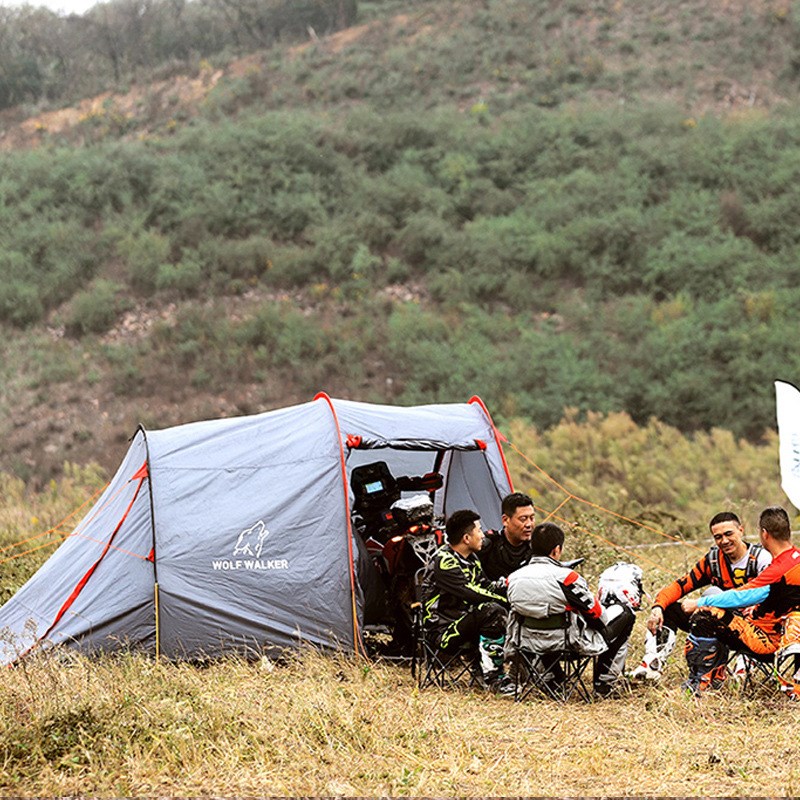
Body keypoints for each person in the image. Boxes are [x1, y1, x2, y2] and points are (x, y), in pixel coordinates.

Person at [629, 511, 770, 680]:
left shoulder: (761, 558)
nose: (724, 541)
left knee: (713, 594)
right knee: (670, 609)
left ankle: (742, 664)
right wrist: (658, 607)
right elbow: (680, 585)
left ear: (741, 530)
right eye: (718, 537)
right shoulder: (713, 560)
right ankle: (653, 663)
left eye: (728, 534)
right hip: (718, 622)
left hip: (754, 628)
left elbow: (770, 597)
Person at [506, 522, 636, 697]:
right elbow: (597, 615)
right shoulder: (567, 578)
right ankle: (604, 685)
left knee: (542, 620)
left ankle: (552, 680)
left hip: (528, 644)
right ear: (556, 550)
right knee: (625, 614)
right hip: (569, 645)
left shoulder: (513, 578)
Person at [680, 506, 800, 693]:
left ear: (764, 534)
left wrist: (699, 603)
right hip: (787, 633)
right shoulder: (796, 561)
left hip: (766, 641)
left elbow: (741, 596)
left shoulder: (778, 570)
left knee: (705, 615)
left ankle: (701, 682)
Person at [421, 509, 513, 694]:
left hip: (466, 623)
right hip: (443, 631)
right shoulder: (444, 561)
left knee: (497, 608)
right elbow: (470, 592)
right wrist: (504, 601)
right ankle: (493, 678)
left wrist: (510, 586)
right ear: (466, 538)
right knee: (492, 611)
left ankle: (502, 672)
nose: (482, 536)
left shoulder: (471, 559)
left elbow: (485, 586)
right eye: (478, 531)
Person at [478, 492, 536, 581]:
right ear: (505, 520)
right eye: (523, 519)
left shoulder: (536, 547)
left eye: (532, 518)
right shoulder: (487, 545)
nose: (529, 524)